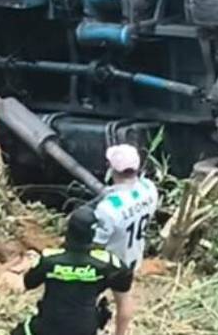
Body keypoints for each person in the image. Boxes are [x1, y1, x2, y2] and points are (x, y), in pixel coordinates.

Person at [14, 206, 134, 335]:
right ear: (93, 234)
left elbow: (26, 284)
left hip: (48, 329)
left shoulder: (49, 259)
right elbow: (124, 305)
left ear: (68, 230)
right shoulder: (109, 264)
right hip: (85, 330)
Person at [89, 143, 159, 335]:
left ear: (111, 168)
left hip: (107, 262)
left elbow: (97, 242)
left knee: (88, 299)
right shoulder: (149, 189)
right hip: (132, 256)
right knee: (124, 298)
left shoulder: (108, 208)